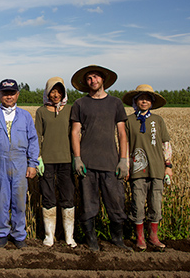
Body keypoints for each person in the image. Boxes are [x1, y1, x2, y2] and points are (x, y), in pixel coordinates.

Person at [70, 65, 132, 252]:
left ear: (103, 80)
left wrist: (123, 160)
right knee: (89, 205)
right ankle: (91, 241)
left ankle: (117, 239)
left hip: (111, 163)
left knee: (116, 202)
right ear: (85, 82)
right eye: (89, 78)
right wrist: (77, 158)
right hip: (87, 164)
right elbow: (75, 132)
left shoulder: (115, 103)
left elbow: (122, 133)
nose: (93, 80)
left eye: (96, 77)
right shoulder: (80, 104)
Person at [0, 79, 39, 249]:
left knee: (19, 200)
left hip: (20, 161)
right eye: (5, 93)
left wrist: (32, 163)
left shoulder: (25, 116)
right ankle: (1, 234)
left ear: (17, 94)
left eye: (12, 93)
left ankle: (19, 235)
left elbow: (33, 140)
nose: (9, 96)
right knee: (1, 200)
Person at [123, 84, 172, 250]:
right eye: (140, 99)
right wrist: (126, 166)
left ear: (152, 102)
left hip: (157, 168)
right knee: (137, 202)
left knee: (156, 202)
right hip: (137, 169)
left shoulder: (158, 120)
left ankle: (154, 236)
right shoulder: (129, 121)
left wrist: (168, 165)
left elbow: (166, 143)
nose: (144, 101)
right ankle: (140, 237)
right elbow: (126, 145)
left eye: (147, 99)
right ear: (135, 101)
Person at [35, 77, 76, 248]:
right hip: (47, 161)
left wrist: (76, 157)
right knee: (48, 197)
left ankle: (69, 236)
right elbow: (37, 135)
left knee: (68, 197)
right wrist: (37, 157)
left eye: (59, 91)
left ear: (64, 92)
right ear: (47, 92)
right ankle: (49, 236)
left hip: (66, 160)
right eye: (52, 91)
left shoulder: (71, 110)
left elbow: (75, 134)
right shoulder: (41, 111)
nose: (56, 94)